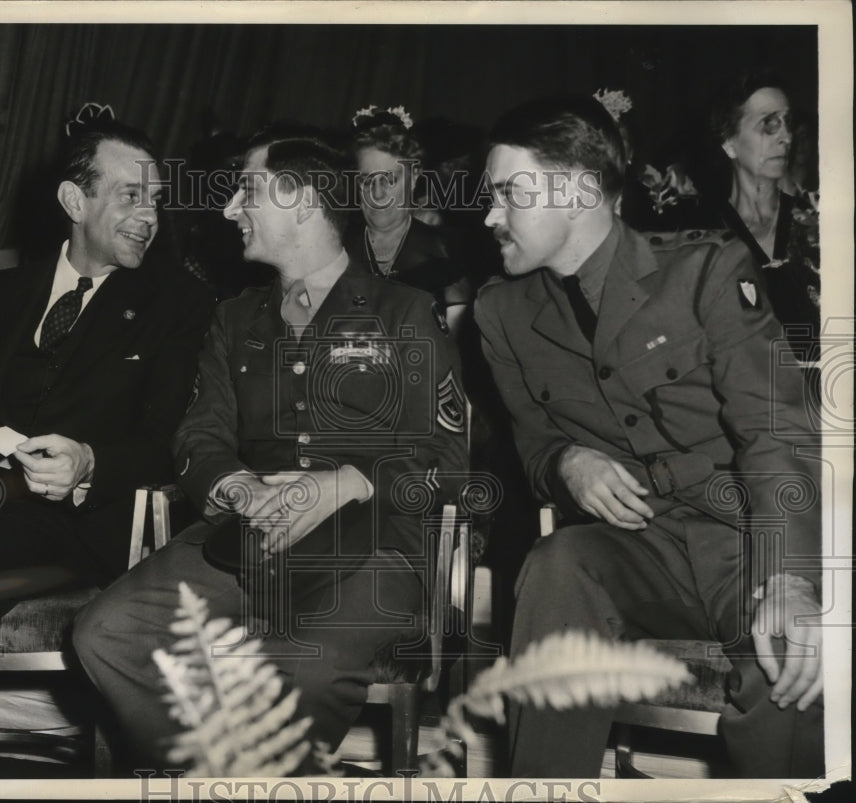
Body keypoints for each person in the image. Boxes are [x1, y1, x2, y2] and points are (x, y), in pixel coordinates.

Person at [72, 131, 468, 772]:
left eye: (246, 191)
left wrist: (345, 482)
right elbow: (200, 436)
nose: (229, 210)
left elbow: (449, 457)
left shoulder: (404, 311)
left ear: (302, 200)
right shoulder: (235, 319)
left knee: (297, 670)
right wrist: (237, 489)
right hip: (245, 536)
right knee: (108, 634)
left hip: (376, 545)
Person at [474, 95, 823, 778]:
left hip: (743, 539)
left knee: (791, 658)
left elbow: (776, 430)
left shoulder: (706, 273)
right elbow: (534, 443)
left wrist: (791, 576)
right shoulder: (500, 312)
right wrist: (566, 461)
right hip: (638, 550)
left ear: (575, 190)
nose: (490, 216)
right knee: (558, 564)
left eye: (508, 193)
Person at [0, 109, 213, 778]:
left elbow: (171, 439)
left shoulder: (179, 302)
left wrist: (90, 462)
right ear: (73, 199)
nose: (148, 215)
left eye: (154, 198)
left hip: (85, 522)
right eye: (129, 195)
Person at [707, 72, 820, 359]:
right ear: (729, 143)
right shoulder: (704, 234)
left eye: (787, 123)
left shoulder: (814, 222)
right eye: (768, 124)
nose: (785, 136)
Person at [345, 106, 472, 338]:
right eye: (366, 180)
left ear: (413, 178)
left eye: (390, 180)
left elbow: (452, 335)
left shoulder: (444, 249)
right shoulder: (336, 246)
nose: (377, 194)